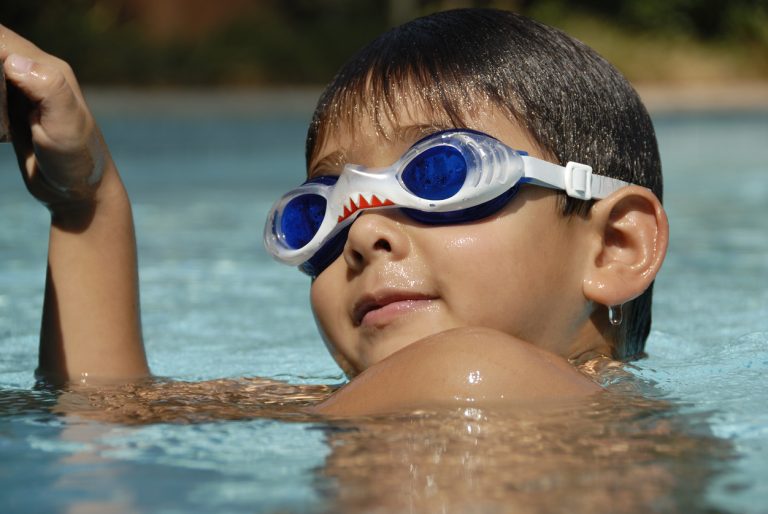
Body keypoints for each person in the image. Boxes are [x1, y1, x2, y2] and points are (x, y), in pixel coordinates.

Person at [0, 9, 668, 417]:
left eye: (440, 174)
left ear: (615, 248)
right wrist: (82, 195)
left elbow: (101, 437)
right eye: (325, 210)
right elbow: (105, 409)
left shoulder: (478, 372)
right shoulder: (380, 399)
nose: (365, 232)